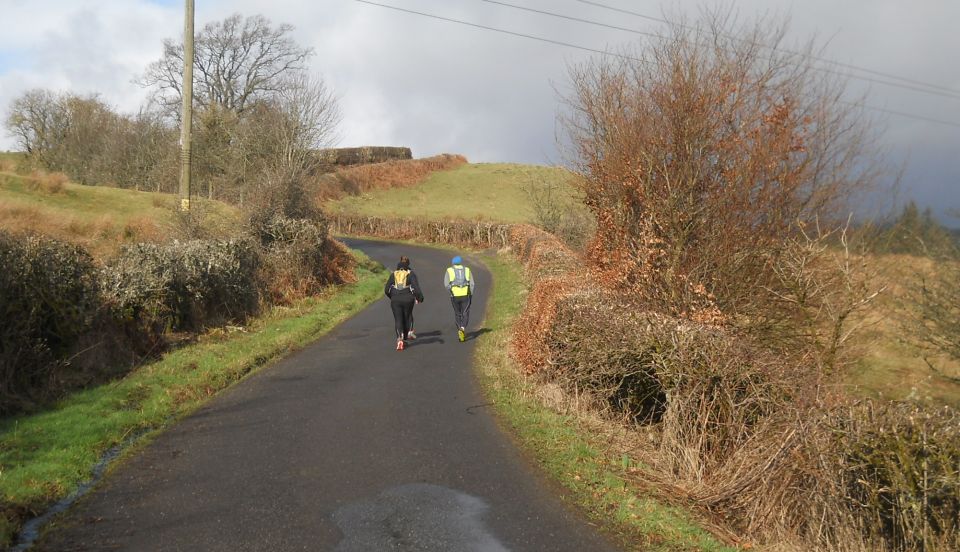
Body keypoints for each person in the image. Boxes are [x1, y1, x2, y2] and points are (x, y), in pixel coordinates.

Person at [384, 257, 424, 351]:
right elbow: (416, 288)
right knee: (407, 318)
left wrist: (392, 296)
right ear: (407, 267)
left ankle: (399, 339)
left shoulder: (393, 274)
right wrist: (420, 298)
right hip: (408, 299)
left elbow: (386, 289)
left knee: (398, 319)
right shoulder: (410, 274)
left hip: (395, 300)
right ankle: (405, 338)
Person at [443, 255, 475, 342]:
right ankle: (463, 328)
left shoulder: (449, 270)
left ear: (453, 263)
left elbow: (446, 284)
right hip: (465, 294)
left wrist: (451, 291)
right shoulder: (467, 270)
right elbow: (472, 284)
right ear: (460, 262)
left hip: (454, 295)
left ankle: (459, 329)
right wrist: (470, 293)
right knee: (465, 312)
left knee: (457, 313)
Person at [399, 256, 417, 340]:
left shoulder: (396, 272)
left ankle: (402, 333)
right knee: (409, 314)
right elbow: (414, 286)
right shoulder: (411, 272)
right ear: (408, 263)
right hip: (408, 295)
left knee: (400, 315)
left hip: (398, 295)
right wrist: (417, 296)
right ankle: (409, 332)